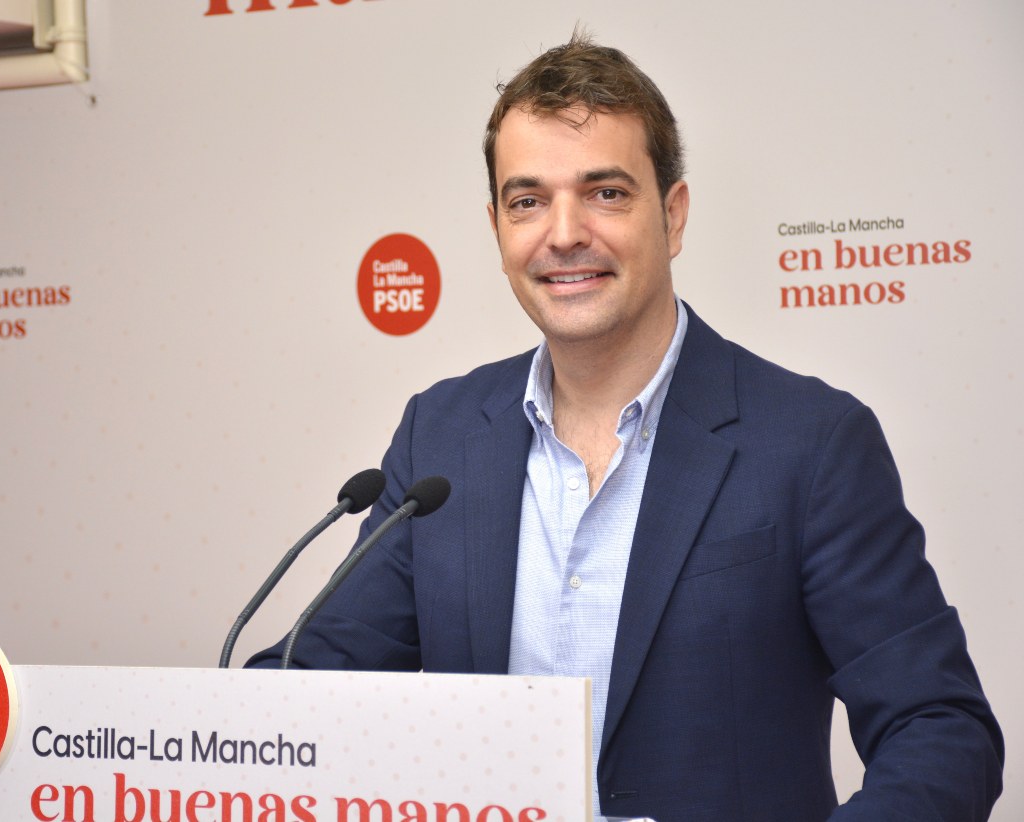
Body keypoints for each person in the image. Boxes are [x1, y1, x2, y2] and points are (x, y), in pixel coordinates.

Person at [250, 33, 1004, 821]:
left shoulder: (811, 445)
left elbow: (941, 728)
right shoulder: (438, 439)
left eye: (605, 193)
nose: (564, 232)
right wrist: (196, 735)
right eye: (528, 200)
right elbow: (319, 683)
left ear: (673, 216)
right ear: (498, 229)